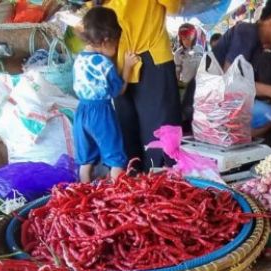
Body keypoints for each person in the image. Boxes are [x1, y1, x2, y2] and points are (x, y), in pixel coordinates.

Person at [192, 0, 271, 137]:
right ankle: (235, 141)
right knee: (267, 115)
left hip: (215, 107)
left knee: (269, 114)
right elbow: (231, 82)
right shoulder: (247, 32)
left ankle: (238, 141)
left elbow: (243, 85)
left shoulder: (258, 45)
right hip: (207, 109)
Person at [104, 0, 182, 169]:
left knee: (146, 136)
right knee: (154, 133)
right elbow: (174, 7)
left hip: (131, 59)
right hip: (133, 61)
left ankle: (140, 186)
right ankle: (150, 187)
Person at [73, 8, 137, 181]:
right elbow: (119, 91)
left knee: (86, 160)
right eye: (116, 44)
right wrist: (128, 67)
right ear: (106, 40)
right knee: (116, 159)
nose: (116, 49)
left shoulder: (78, 60)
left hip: (81, 112)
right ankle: (119, 197)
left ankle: (82, 195)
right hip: (101, 113)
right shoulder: (104, 64)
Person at [173, 23, 203, 88]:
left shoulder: (200, 49)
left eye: (188, 38)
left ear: (194, 37)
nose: (186, 41)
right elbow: (177, 73)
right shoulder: (178, 53)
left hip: (200, 84)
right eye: (183, 39)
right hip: (187, 85)